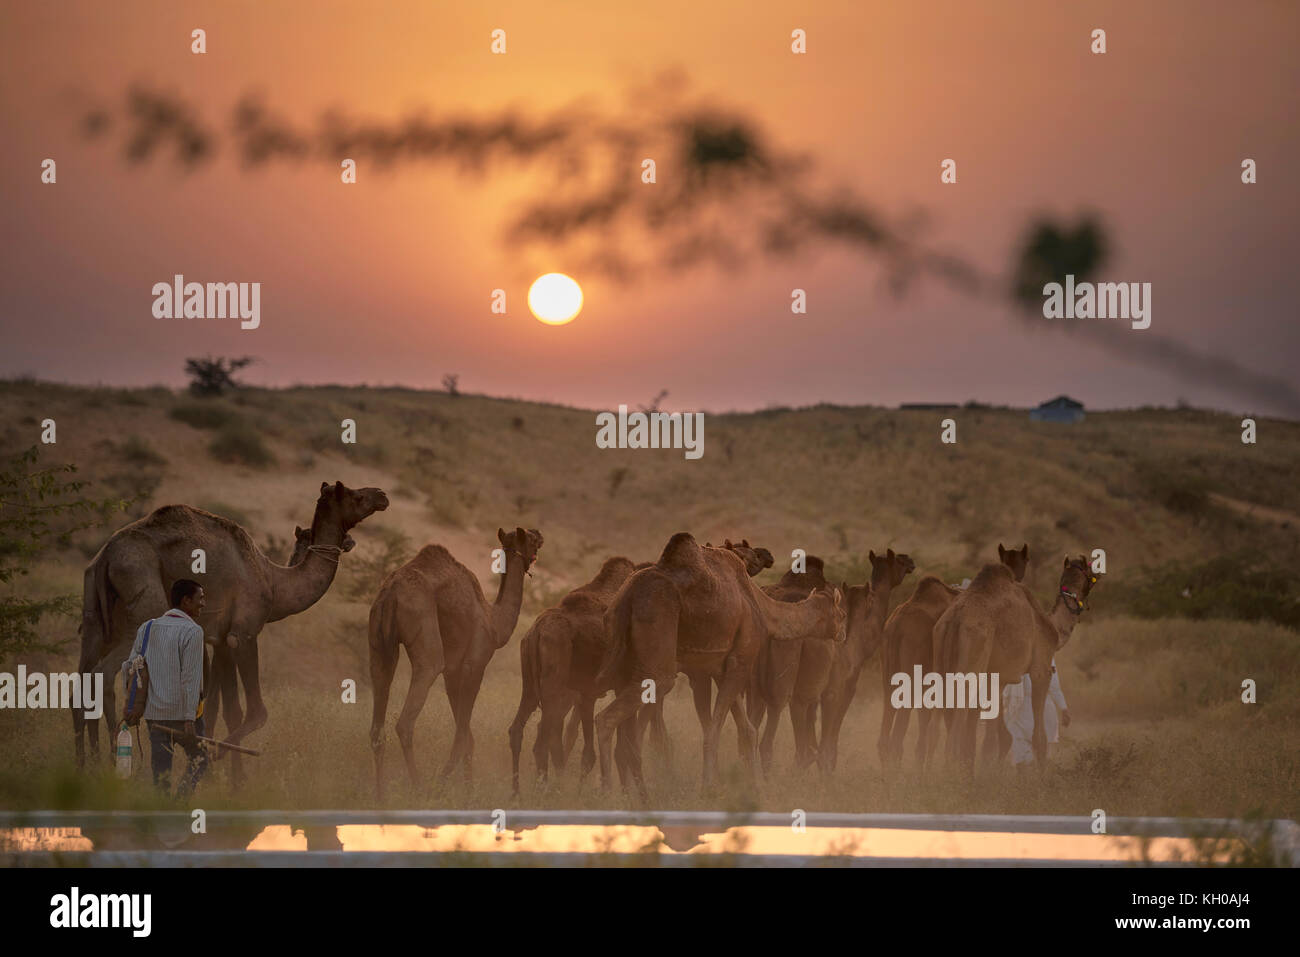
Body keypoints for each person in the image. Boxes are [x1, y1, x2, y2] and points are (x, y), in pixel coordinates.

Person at [121, 579, 209, 794]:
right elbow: (190, 679)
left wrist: (136, 704)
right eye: (200, 598)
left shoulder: (148, 627)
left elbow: (129, 668)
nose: (203, 604)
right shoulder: (193, 631)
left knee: (161, 775)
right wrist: (189, 719)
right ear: (186, 601)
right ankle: (180, 803)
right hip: (183, 716)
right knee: (201, 760)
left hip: (155, 716)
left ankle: (162, 816)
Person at [1000, 658, 1070, 766]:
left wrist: (1064, 708)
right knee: (1020, 752)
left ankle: (1039, 778)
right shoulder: (1014, 653)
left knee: (1041, 753)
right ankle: (1024, 779)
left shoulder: (1047, 656)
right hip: (1018, 708)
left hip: (1042, 708)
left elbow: (1054, 687)